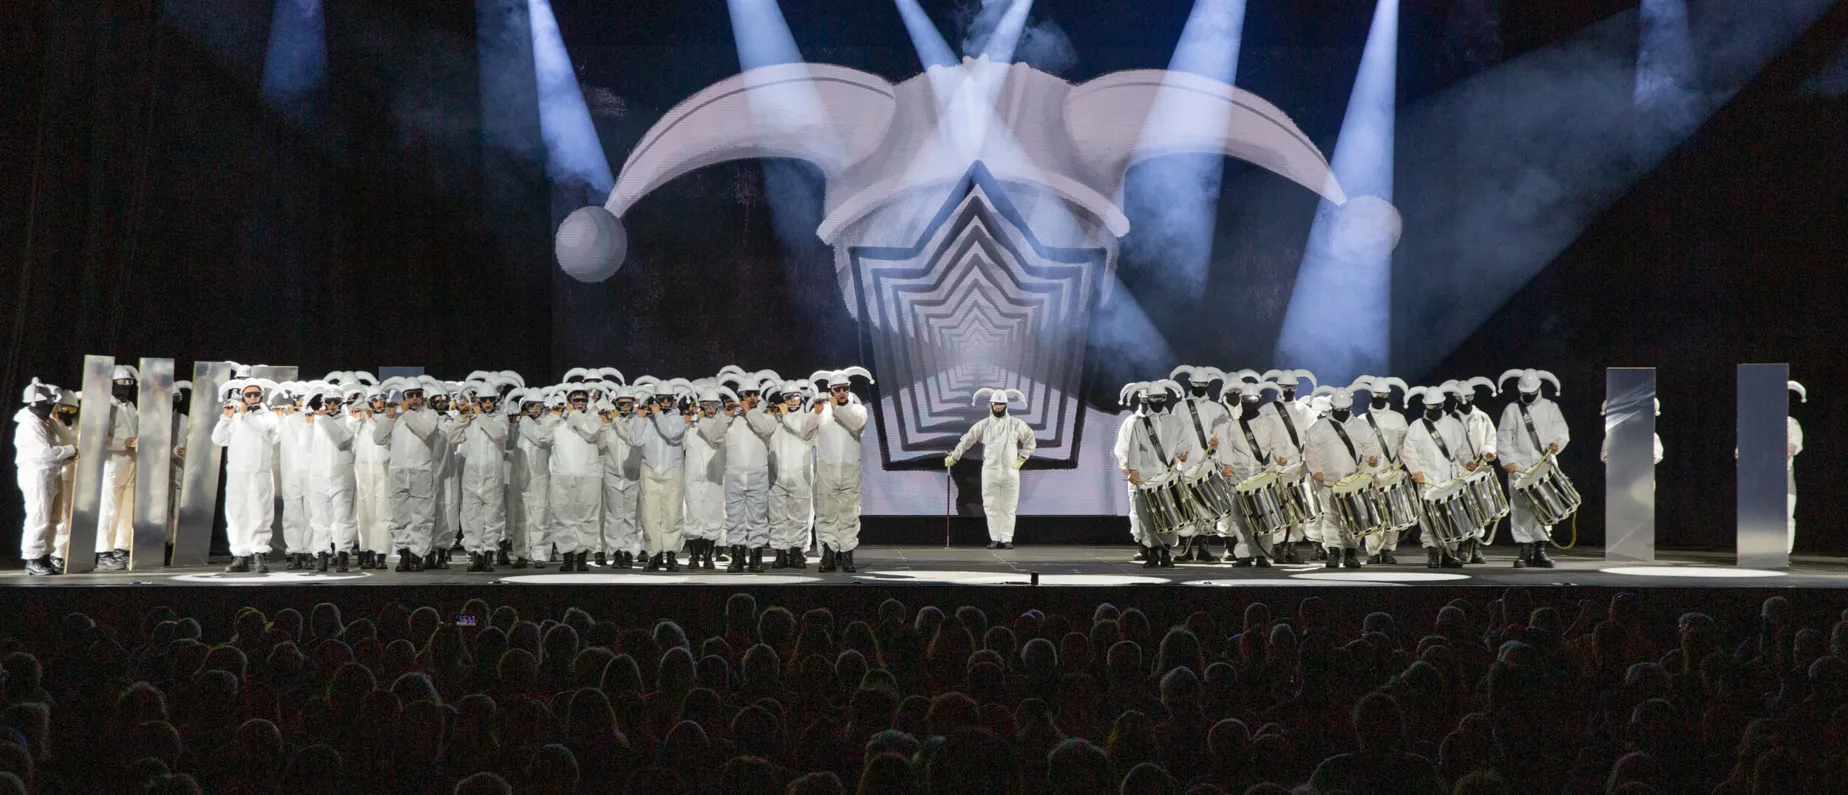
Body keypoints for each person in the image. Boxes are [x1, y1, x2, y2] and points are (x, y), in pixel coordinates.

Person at [1496, 368, 1569, 569]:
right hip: (1518, 467)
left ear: (1539, 389)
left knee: (1544, 506)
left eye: (1531, 392)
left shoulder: (1551, 407)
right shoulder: (1512, 409)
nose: (1527, 396)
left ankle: (1541, 548)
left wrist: (1557, 444)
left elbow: (1562, 432)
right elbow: (1503, 438)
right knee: (1520, 508)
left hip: (1543, 464)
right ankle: (1525, 549)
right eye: (1524, 392)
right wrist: (1507, 461)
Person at [1117, 381, 1195, 568]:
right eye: (1154, 399)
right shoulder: (1139, 424)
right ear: (1148, 400)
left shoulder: (1175, 422)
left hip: (1168, 476)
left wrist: (1183, 454)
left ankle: (1166, 554)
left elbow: (1184, 444)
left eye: (1160, 398)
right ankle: (1152, 553)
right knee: (1147, 517)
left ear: (1165, 399)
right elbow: (1134, 449)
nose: (1157, 402)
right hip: (1146, 478)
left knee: (1169, 516)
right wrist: (1133, 470)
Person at [945, 388, 1036, 550]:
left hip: (1010, 473)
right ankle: (995, 538)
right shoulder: (983, 425)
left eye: (1001, 404)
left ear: (1006, 405)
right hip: (990, 472)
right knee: (991, 507)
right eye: (996, 404)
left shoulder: (1016, 424)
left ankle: (1007, 538)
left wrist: (1022, 458)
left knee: (1009, 507)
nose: (998, 407)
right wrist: (955, 456)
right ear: (991, 405)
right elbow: (967, 440)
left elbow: (1030, 439)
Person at [1304, 387, 1382, 569]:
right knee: (1330, 516)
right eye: (1338, 410)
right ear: (1332, 407)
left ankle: (1350, 552)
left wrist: (1373, 460)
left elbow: (1373, 447)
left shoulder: (1361, 426)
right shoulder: (1320, 426)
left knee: (1353, 517)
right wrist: (1315, 470)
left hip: (1352, 481)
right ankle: (1333, 551)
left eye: (1344, 410)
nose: (1341, 413)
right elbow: (1310, 450)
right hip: (1328, 481)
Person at [528, 387, 604, 572]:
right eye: (575, 400)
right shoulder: (558, 422)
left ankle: (582, 557)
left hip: (588, 475)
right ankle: (568, 557)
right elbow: (541, 436)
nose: (579, 403)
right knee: (563, 517)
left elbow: (591, 433)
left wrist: (574, 415)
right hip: (562, 475)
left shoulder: (593, 418)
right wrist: (554, 415)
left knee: (587, 516)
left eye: (582, 400)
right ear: (568, 401)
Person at [1215, 381, 1289, 567]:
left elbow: (1279, 445)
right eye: (1246, 400)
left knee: (1264, 515)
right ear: (1242, 401)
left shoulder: (1268, 423)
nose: (1250, 402)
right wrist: (1227, 466)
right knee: (1239, 517)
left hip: (1261, 475)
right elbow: (1226, 449)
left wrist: (1281, 458)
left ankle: (1262, 554)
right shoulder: (1232, 426)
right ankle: (1245, 554)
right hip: (1239, 477)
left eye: (1253, 399)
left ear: (1258, 400)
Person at [372, 380, 444, 572]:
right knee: (399, 515)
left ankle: (417, 555)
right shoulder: (396, 418)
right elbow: (378, 439)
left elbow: (426, 431)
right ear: (403, 397)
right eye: (409, 395)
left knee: (422, 516)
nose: (413, 399)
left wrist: (407, 413)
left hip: (421, 470)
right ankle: (404, 553)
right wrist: (387, 418)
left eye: (417, 395)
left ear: (422, 395)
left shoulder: (430, 414)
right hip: (398, 471)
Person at [212, 379, 281, 573]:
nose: (252, 398)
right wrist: (226, 418)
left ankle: (259, 554)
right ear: (242, 396)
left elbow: (263, 430)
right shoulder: (234, 418)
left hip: (259, 472)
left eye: (255, 394)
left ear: (261, 396)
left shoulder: (269, 416)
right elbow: (218, 439)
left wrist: (245, 414)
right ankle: (240, 556)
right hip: (236, 474)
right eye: (248, 395)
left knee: (260, 511)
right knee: (236, 513)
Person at [1400, 387, 1471, 569]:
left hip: (1449, 477)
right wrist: (1415, 470)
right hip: (1427, 478)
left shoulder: (1454, 425)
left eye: (1437, 406)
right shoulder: (1417, 426)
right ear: (1425, 406)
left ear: (1442, 404)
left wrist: (1468, 461)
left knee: (1452, 514)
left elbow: (1463, 450)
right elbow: (1408, 452)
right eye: (1431, 407)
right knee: (1427, 517)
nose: (1434, 410)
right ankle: (1432, 552)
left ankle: (1450, 553)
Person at [811, 369, 872, 574]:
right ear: (830, 390)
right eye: (837, 389)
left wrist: (837, 408)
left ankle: (847, 555)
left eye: (845, 388)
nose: (842, 392)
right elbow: (804, 432)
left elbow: (855, 424)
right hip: (827, 471)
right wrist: (815, 413)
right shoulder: (822, 412)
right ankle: (828, 554)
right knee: (827, 514)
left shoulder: (858, 410)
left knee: (849, 514)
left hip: (849, 471)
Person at [717, 373, 779, 573]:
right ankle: (737, 557)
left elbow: (767, 429)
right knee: (734, 518)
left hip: (757, 475)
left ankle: (755, 558)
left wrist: (750, 412)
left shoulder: (765, 416)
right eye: (747, 394)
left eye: (755, 394)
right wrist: (726, 416)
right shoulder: (730, 418)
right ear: (740, 395)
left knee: (757, 518)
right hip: (735, 475)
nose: (751, 398)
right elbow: (713, 436)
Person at [15, 379, 76, 575]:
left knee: (53, 517)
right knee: (39, 515)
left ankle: (45, 556)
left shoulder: (44, 422)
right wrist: (69, 450)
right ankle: (33, 558)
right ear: (36, 404)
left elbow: (52, 452)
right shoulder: (29, 425)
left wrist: (67, 456)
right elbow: (44, 453)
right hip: (36, 475)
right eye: (47, 403)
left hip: (50, 472)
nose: (51, 407)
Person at [1170, 366, 1229, 562]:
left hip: (1208, 464)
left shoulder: (1217, 408)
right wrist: (1177, 456)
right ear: (1191, 384)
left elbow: (1226, 434)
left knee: (1207, 507)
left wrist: (1217, 445)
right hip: (1186, 465)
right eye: (1197, 385)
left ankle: (1204, 548)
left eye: (1204, 385)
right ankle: (1186, 549)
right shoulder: (1179, 407)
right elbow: (1173, 434)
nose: (1200, 388)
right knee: (1187, 508)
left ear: (1208, 385)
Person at [634, 383, 693, 572]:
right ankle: (653, 555)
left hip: (672, 471)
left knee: (672, 515)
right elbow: (635, 440)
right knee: (650, 516)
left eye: (669, 399)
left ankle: (672, 556)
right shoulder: (648, 420)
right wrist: (640, 419)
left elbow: (673, 435)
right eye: (661, 399)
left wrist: (658, 414)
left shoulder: (676, 419)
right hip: (649, 472)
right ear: (655, 399)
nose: (665, 402)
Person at [1259, 369, 1315, 563]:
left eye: (1292, 387)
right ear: (1279, 387)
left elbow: (1312, 437)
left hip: (1297, 466)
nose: (1289, 391)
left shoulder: (1305, 410)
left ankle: (1291, 547)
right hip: (1274, 467)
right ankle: (1277, 547)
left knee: (1296, 510)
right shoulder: (1267, 409)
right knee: (1276, 508)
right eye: (1285, 387)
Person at [451, 388, 510, 573]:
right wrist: (461, 418)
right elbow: (452, 437)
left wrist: (479, 416)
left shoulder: (501, 418)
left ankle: (489, 554)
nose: (487, 404)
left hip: (493, 474)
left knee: (493, 516)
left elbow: (499, 435)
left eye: (490, 400)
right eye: (484, 400)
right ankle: (475, 554)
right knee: (471, 515)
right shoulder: (470, 419)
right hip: (472, 474)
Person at [302, 387, 360, 572]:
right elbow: (305, 446)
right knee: (320, 519)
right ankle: (321, 555)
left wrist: (324, 419)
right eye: (329, 402)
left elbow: (342, 440)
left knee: (344, 518)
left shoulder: (349, 420)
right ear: (324, 403)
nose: (332, 405)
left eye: (336, 401)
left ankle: (342, 554)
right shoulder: (317, 421)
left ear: (341, 403)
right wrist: (309, 425)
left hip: (342, 476)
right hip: (318, 476)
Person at [1354, 376, 1409, 564]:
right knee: (1372, 513)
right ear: (1371, 395)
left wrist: (1404, 465)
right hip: (1368, 472)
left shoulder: (1398, 419)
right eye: (1377, 394)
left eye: (1384, 394)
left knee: (1394, 511)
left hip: (1391, 471)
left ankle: (1387, 550)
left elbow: (1404, 445)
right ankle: (1373, 551)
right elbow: (1355, 447)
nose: (1380, 397)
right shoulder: (1361, 420)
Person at [1445, 378, 1500, 564]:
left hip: (1478, 470)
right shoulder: (1449, 421)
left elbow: (1491, 438)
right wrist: (1465, 460)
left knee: (1478, 506)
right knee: (1461, 508)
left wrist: (1489, 452)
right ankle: (1463, 545)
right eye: (1461, 398)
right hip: (1458, 471)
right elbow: (1449, 446)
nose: (1465, 402)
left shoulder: (1482, 417)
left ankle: (1475, 546)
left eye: (1468, 397)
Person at [767, 382, 820, 568]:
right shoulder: (774, 420)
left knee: (799, 516)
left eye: (796, 396)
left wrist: (785, 415)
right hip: (776, 475)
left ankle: (797, 552)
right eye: (788, 397)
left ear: (801, 397)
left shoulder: (807, 418)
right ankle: (780, 553)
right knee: (777, 517)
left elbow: (802, 430)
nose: (792, 400)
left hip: (800, 474)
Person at [682, 387, 734, 570]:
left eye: (713, 405)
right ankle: (694, 556)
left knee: (713, 515)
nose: (710, 408)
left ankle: (708, 556)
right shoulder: (691, 426)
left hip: (714, 475)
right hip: (693, 475)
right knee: (694, 515)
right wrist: (686, 423)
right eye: (706, 405)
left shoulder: (723, 424)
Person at [96, 364, 141, 571]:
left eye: (129, 384)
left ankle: (121, 548)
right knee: (110, 507)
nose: (126, 387)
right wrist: (124, 443)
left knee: (127, 508)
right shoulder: (105, 406)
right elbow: (100, 439)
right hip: (113, 462)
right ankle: (104, 551)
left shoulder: (130, 406)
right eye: (122, 384)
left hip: (132, 462)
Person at [598, 387, 644, 568]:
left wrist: (615, 420)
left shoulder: (639, 422)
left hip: (632, 474)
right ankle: (616, 551)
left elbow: (631, 438)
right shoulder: (609, 424)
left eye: (629, 403)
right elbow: (600, 446)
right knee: (614, 516)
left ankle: (629, 552)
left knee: (630, 515)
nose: (626, 407)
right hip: (612, 474)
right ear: (615, 404)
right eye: (622, 403)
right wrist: (604, 425)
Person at [506, 390, 552, 569]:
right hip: (521, 477)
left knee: (540, 515)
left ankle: (540, 554)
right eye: (530, 406)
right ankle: (521, 553)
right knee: (521, 516)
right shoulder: (518, 425)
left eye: (537, 406)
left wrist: (524, 420)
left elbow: (541, 439)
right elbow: (508, 444)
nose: (534, 409)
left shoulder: (547, 424)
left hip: (540, 476)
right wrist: (511, 426)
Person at [275, 382, 316, 570]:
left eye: (303, 397)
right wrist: (280, 418)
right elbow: (274, 437)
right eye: (297, 398)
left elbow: (305, 440)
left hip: (311, 471)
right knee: (292, 514)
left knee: (311, 512)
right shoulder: (284, 418)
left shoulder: (314, 418)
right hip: (290, 472)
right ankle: (295, 551)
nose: (300, 401)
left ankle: (310, 551)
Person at [353, 388, 393, 569]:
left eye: (381, 400)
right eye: (375, 400)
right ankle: (367, 550)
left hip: (382, 470)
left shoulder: (389, 420)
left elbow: (382, 438)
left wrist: (369, 420)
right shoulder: (359, 422)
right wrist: (357, 421)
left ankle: (381, 553)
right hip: (363, 471)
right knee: (365, 514)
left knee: (382, 513)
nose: (378, 404)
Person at [1786, 380, 1805, 554]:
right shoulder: (1758, 422)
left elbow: (1792, 447)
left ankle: (1785, 550)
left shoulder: (1790, 423)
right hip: (1760, 477)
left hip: (1783, 476)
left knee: (1786, 515)